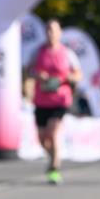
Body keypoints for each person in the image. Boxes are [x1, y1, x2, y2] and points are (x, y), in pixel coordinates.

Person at [29, 18, 82, 184]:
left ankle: (55, 167)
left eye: (54, 30)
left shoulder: (67, 53)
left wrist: (67, 77)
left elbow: (78, 75)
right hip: (41, 100)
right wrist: (37, 75)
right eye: (48, 30)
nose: (51, 33)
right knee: (42, 139)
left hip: (60, 99)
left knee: (53, 133)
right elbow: (29, 70)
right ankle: (53, 156)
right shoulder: (38, 52)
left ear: (60, 33)